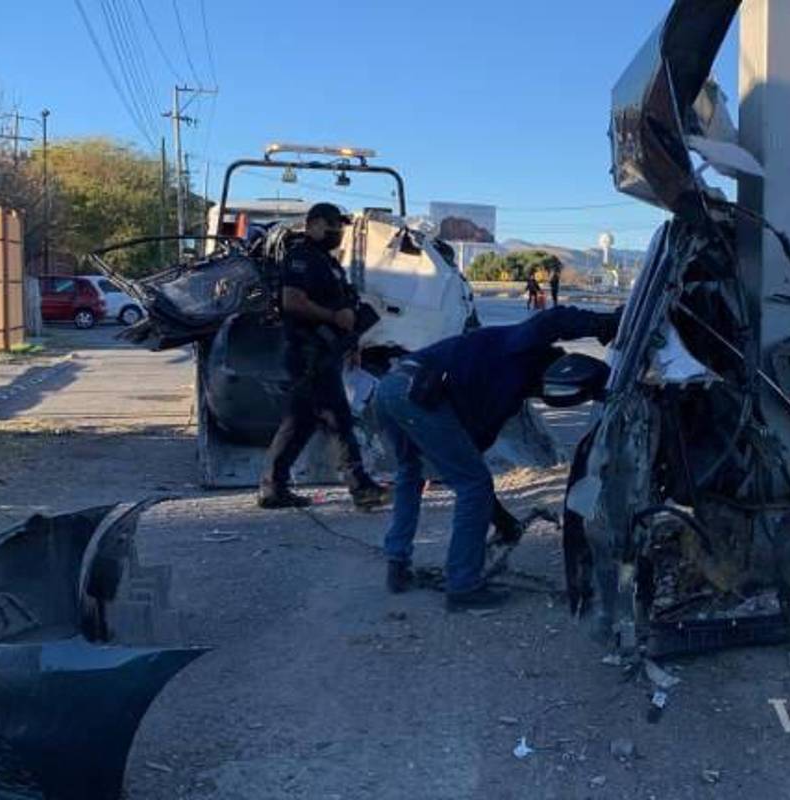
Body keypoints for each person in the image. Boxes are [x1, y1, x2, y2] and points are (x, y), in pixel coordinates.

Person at [376, 305, 620, 610]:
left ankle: (397, 565)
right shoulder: (522, 350)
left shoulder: (504, 397)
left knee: (413, 473)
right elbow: (554, 319)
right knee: (471, 485)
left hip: (391, 387)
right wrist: (606, 323)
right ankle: (462, 587)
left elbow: (470, 463)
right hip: (418, 392)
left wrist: (503, 522)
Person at [258, 203, 389, 510]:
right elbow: (292, 301)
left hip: (325, 350)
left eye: (340, 226)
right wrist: (334, 317)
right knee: (339, 418)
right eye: (332, 225)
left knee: (300, 422)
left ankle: (272, 487)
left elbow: (342, 302)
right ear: (313, 224)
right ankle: (361, 488)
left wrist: (352, 341)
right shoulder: (301, 258)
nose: (337, 231)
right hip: (308, 352)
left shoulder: (326, 261)